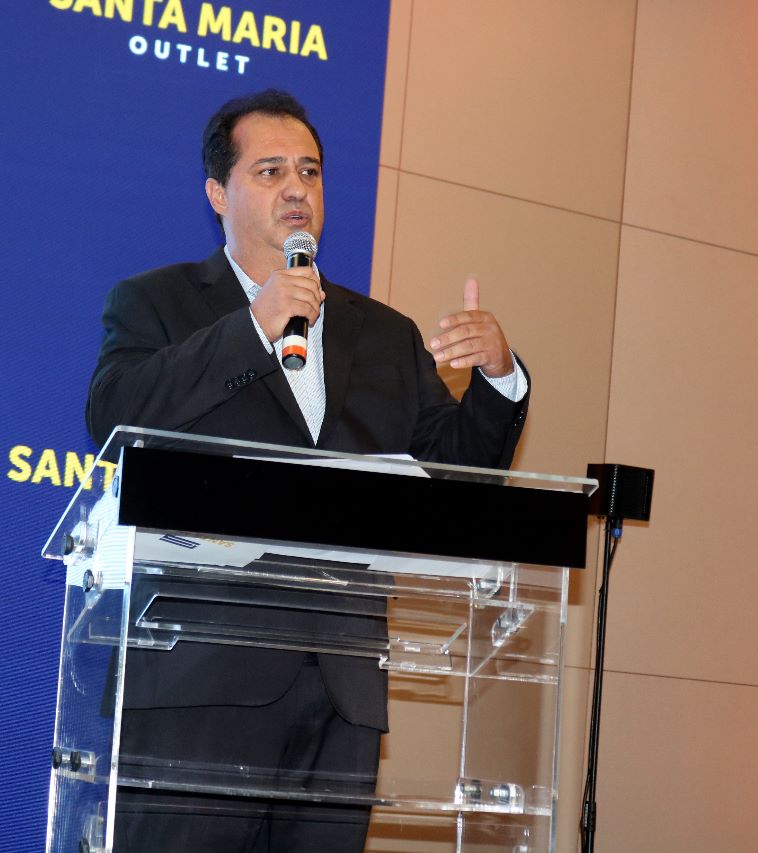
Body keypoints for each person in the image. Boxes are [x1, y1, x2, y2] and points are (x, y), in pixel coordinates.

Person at [86, 89, 529, 853]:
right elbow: (115, 416)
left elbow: (455, 477)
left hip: (340, 688)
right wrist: (251, 326)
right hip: (198, 677)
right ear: (217, 193)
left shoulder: (382, 333)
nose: (297, 187)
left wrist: (498, 377)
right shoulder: (157, 302)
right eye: (270, 171)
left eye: (310, 171)